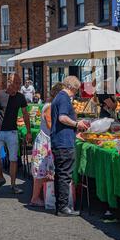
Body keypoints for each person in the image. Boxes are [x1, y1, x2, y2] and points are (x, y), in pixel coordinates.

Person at [51, 76, 88, 217]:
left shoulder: (59, 97)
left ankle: (60, 205)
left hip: (60, 140)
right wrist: (77, 124)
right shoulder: (64, 98)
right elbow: (62, 118)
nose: (76, 93)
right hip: (64, 142)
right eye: (76, 90)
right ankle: (63, 207)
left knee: (60, 174)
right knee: (64, 175)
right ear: (72, 87)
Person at [0, 73, 32, 194]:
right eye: (16, 83)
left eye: (19, 83)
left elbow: (25, 114)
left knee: (13, 159)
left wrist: (28, 131)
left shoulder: (20, 97)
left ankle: (13, 185)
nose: (18, 85)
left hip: (12, 131)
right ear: (9, 82)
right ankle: (1, 178)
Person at [30, 82, 64, 207]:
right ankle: (35, 198)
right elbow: (50, 125)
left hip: (46, 140)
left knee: (45, 171)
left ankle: (43, 196)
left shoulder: (52, 105)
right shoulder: (49, 106)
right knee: (41, 171)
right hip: (45, 142)